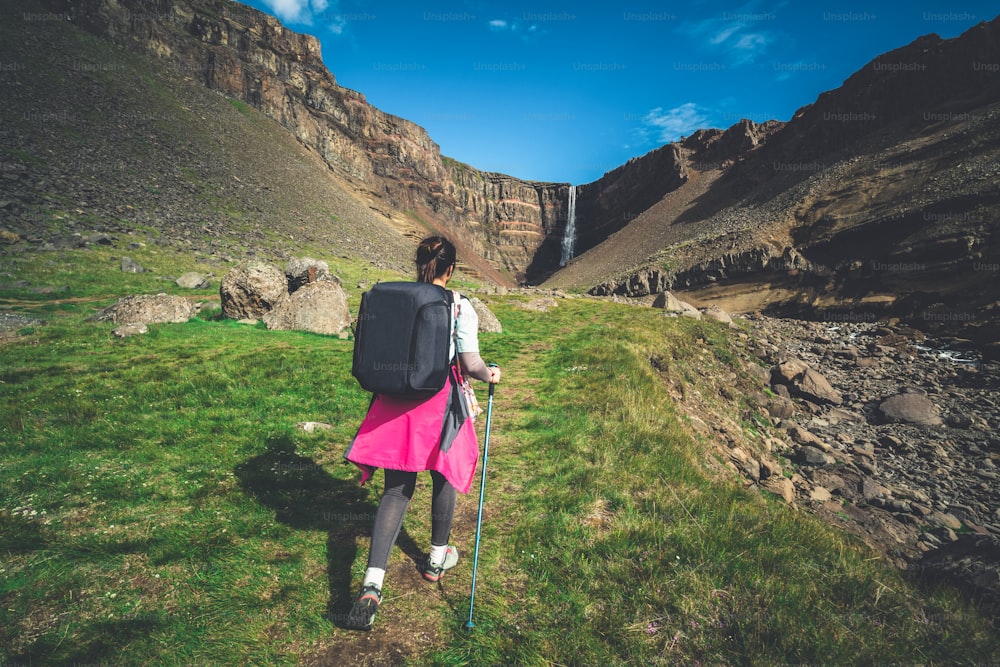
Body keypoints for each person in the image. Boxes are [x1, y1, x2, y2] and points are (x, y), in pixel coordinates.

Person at [343, 236, 500, 631]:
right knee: (443, 472)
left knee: (396, 489)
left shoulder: (394, 297)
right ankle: (435, 558)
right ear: (450, 269)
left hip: (394, 402)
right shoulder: (459, 304)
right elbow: (470, 361)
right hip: (437, 404)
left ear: (419, 265)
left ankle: (372, 585)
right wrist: (490, 373)